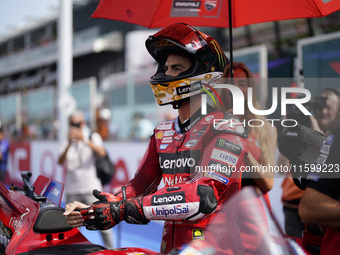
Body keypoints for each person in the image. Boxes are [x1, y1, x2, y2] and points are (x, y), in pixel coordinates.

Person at [64, 22, 249, 254]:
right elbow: (138, 187)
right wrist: (94, 210)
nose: (165, 74)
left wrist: (124, 210)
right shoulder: (163, 133)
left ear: (203, 75)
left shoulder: (226, 128)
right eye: (166, 67)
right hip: (170, 247)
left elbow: (203, 198)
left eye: (176, 68)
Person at [57, 110, 114, 249]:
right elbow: (60, 161)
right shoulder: (65, 140)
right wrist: (70, 143)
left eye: (78, 123)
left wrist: (84, 140)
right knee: (73, 228)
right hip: (73, 189)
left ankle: (112, 251)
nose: (75, 126)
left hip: (91, 188)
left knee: (104, 223)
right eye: (72, 124)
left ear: (83, 124)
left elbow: (102, 152)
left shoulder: (92, 136)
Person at [298, 88, 340, 254]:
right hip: (293, 208)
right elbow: (310, 208)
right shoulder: (334, 140)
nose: (323, 111)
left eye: (328, 106)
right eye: (319, 105)